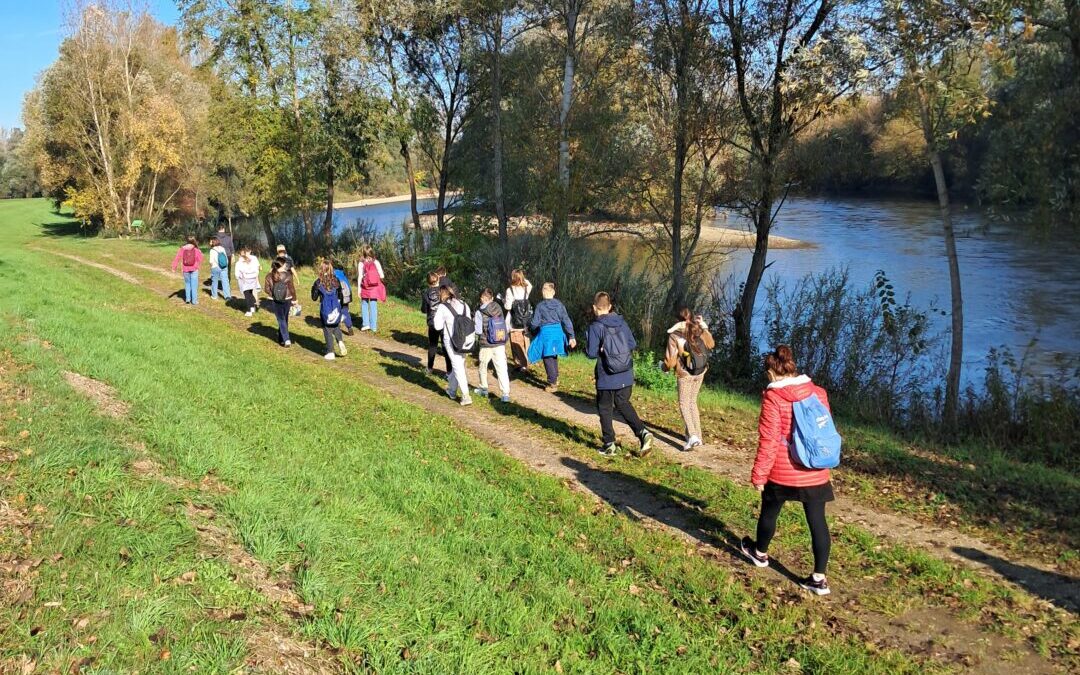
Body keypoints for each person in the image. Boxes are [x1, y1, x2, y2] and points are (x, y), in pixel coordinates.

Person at [740, 345, 835, 596]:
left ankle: (759, 554)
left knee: (769, 513)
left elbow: (769, 441)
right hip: (814, 468)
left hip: (782, 471)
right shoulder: (818, 393)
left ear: (771, 372)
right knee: (817, 522)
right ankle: (819, 579)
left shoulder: (774, 398)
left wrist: (759, 475)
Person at [584, 292, 654, 457]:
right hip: (626, 373)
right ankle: (643, 433)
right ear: (610, 307)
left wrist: (602, 349)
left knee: (605, 408)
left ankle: (609, 445)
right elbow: (632, 343)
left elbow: (592, 353)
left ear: (595, 307)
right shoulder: (621, 322)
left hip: (607, 375)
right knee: (623, 403)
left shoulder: (595, 326)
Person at [663, 308, 715, 450]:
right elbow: (711, 344)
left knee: (684, 404)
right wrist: (704, 326)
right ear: (691, 318)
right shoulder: (699, 329)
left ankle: (692, 436)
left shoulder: (675, 335)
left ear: (677, 320)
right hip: (700, 372)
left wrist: (664, 367)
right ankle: (698, 436)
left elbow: (670, 361)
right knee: (692, 402)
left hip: (685, 373)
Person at [527, 282, 575, 392]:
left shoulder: (540, 306)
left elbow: (535, 323)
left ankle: (552, 383)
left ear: (543, 292)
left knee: (547, 357)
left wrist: (531, 330)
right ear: (553, 292)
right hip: (558, 333)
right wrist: (571, 336)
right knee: (553, 355)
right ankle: (555, 378)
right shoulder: (559, 305)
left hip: (546, 334)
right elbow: (566, 320)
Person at [432, 284, 473, 406]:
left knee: (458, 367)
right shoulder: (465, 305)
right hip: (466, 340)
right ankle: (452, 391)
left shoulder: (443, 307)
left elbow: (438, 326)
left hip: (451, 341)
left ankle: (466, 395)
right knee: (459, 365)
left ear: (443, 293)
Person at [474, 288, 511, 402]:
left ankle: (483, 388)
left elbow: (478, 331)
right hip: (499, 342)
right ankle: (505, 394)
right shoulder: (498, 307)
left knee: (483, 366)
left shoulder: (479, 311)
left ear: (481, 298)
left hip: (486, 344)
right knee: (501, 368)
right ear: (492, 298)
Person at [311, 261, 348, 360]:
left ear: (321, 270)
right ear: (331, 269)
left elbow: (314, 297)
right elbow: (340, 295)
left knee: (327, 329)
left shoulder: (318, 282)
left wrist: (314, 289)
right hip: (336, 307)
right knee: (335, 325)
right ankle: (340, 341)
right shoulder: (336, 281)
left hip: (325, 309)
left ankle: (330, 352)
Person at [420, 271, 452, 376]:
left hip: (432, 322)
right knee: (445, 346)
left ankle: (429, 368)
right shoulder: (444, 291)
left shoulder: (426, 293)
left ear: (427, 282)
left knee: (432, 345)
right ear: (438, 279)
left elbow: (424, 310)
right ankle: (449, 372)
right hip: (443, 321)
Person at [504, 269, 533, 372]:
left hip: (514, 320)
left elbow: (507, 307)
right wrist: (523, 278)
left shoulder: (509, 290)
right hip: (525, 320)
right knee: (526, 341)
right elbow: (530, 284)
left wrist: (504, 302)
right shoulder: (526, 288)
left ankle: (520, 364)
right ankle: (527, 362)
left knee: (516, 342)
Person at [263, 259, 297, 347]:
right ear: (281, 266)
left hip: (275, 300)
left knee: (281, 319)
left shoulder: (269, 276)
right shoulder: (288, 275)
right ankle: (285, 339)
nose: (286, 266)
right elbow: (292, 289)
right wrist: (294, 300)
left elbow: (266, 289)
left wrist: (274, 294)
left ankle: (283, 339)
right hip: (288, 299)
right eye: (285, 264)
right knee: (284, 319)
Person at [357, 245, 386, 332]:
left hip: (365, 287)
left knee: (364, 304)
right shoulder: (376, 262)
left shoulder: (361, 263)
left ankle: (366, 324)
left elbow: (360, 276)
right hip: (374, 288)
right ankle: (373, 327)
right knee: (373, 305)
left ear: (363, 254)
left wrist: (359, 289)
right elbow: (382, 275)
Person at [170, 235, 203, 305]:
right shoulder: (196, 250)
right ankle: (194, 301)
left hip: (185, 269)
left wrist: (174, 267)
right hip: (194, 269)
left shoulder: (182, 249)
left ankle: (187, 299)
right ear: (194, 241)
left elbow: (177, 258)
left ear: (187, 241)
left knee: (187, 284)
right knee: (194, 285)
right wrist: (198, 263)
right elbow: (200, 259)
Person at [233, 245, 261, 317]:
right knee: (250, 293)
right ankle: (252, 307)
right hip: (253, 279)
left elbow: (237, 274)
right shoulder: (252, 259)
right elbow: (257, 269)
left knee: (247, 295)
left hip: (244, 281)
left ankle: (249, 311)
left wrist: (238, 278)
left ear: (240, 255)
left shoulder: (239, 263)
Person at [207, 236, 233, 301]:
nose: (210, 242)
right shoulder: (222, 248)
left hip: (215, 267)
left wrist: (211, 266)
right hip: (224, 267)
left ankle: (214, 296)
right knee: (225, 281)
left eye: (211, 241)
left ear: (213, 242)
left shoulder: (212, 250)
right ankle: (227, 296)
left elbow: (211, 261)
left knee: (214, 281)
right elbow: (226, 257)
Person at [333, 263, 354, 335]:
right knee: (345, 311)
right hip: (346, 296)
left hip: (338, 296)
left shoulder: (333, 274)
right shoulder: (344, 275)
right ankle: (349, 326)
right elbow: (349, 288)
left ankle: (336, 325)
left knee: (336, 310)